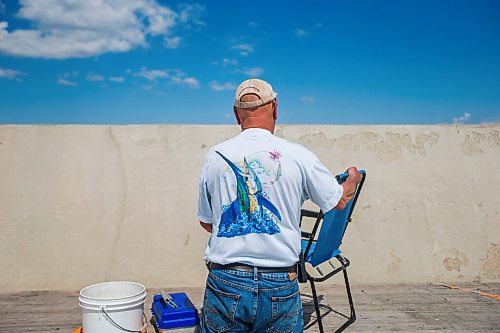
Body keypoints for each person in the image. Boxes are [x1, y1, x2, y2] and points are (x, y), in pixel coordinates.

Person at [197, 78, 362, 333]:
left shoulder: (214, 156)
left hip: (225, 281)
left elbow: (207, 222)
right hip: (280, 281)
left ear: (235, 114)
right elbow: (338, 201)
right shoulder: (299, 155)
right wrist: (353, 179)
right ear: (275, 107)